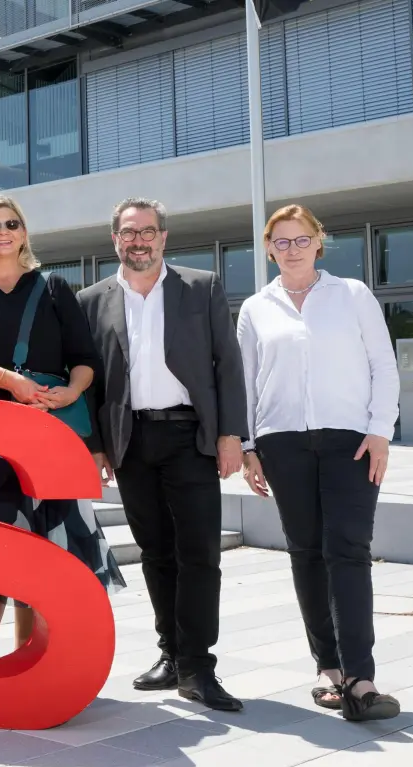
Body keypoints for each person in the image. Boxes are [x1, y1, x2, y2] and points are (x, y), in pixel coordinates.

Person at [77, 198, 246, 713]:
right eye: (129, 233)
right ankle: (171, 654)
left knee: (199, 552)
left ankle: (198, 666)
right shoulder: (92, 299)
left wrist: (231, 435)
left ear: (164, 237)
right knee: (155, 551)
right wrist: (97, 445)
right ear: (115, 240)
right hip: (131, 441)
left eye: (148, 231)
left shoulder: (201, 286)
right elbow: (90, 381)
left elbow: (228, 364)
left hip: (190, 436)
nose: (139, 241)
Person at [0, 193, 124, 660]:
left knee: (42, 544)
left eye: (13, 224)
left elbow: (85, 360)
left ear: (24, 232)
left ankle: (28, 655)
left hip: (46, 436)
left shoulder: (54, 288)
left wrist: (72, 391)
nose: (4, 232)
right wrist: (12, 382)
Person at [239, 204, 400, 721]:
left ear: (318, 242)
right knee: (306, 552)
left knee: (348, 550)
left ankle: (362, 676)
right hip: (281, 441)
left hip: (349, 440)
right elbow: (245, 381)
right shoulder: (255, 307)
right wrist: (247, 446)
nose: (291, 249)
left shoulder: (351, 294)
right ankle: (329, 670)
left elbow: (383, 364)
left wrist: (380, 431)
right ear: (268, 248)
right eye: (281, 242)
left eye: (300, 239)